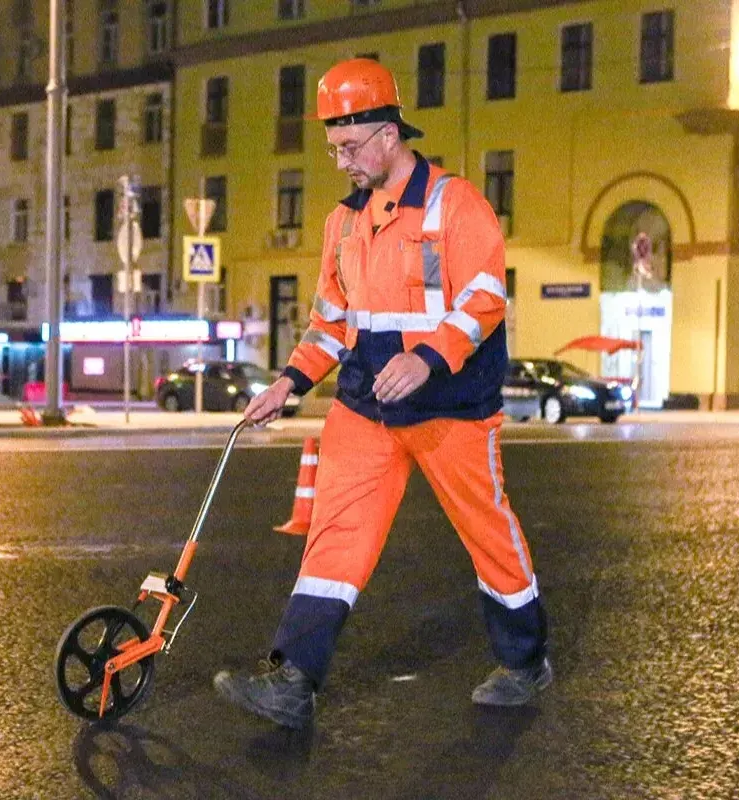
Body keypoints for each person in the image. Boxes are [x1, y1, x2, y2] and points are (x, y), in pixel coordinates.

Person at [213, 58, 550, 729]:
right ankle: (293, 681)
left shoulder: (456, 205)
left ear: (389, 133)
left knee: (486, 530)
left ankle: (524, 661)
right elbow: (332, 321)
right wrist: (289, 380)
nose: (341, 162)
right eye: (332, 148)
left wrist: (430, 358)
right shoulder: (343, 225)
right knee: (336, 536)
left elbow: (484, 297)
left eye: (350, 146)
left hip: (450, 407)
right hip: (366, 406)